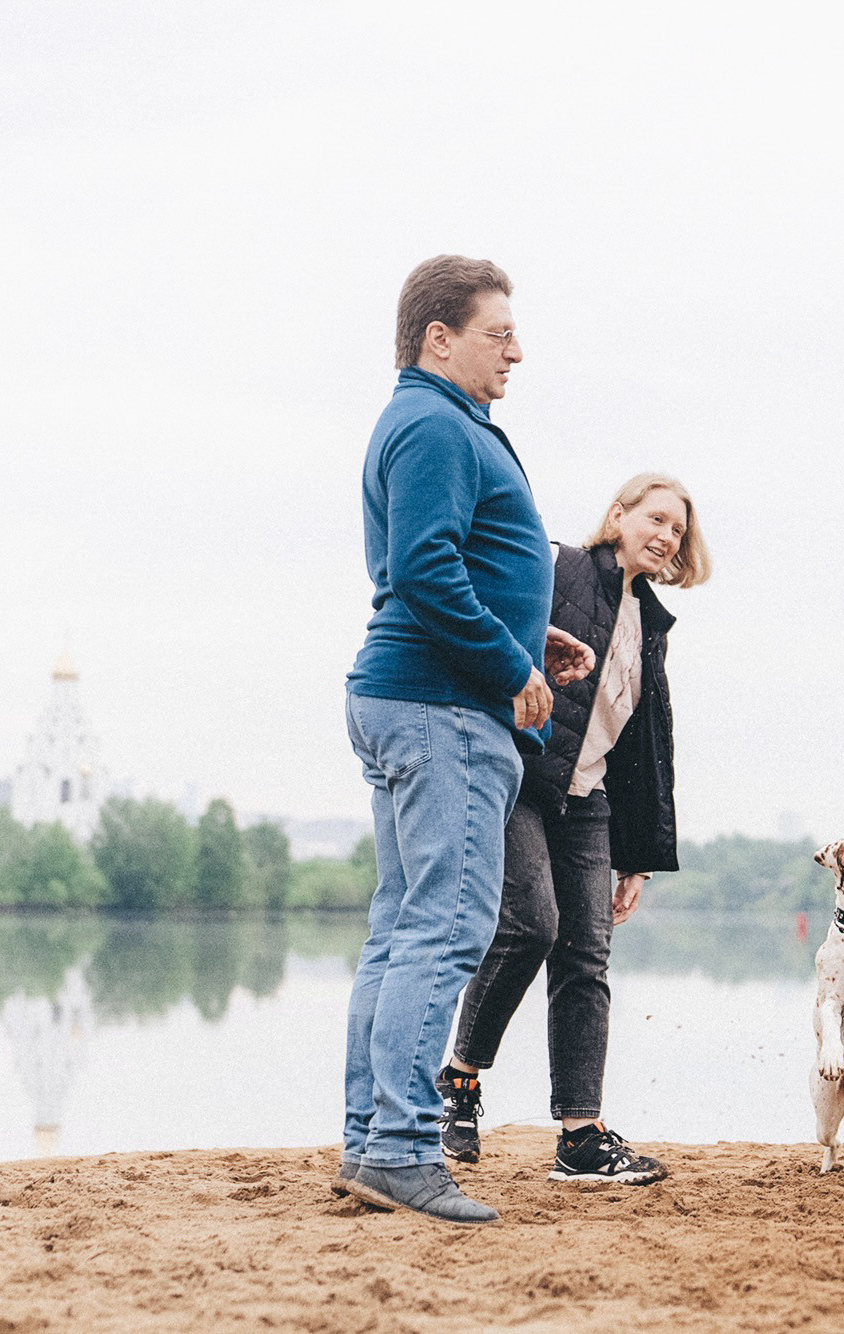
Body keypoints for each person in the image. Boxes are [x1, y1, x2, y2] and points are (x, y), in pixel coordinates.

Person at [339, 255, 594, 1226]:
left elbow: (454, 566)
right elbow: (425, 569)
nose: (517, 351)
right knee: (445, 928)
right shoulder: (433, 424)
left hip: (424, 695)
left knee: (404, 927)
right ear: (437, 337)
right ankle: (401, 1147)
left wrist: (532, 637)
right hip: (443, 707)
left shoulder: (430, 422)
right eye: (499, 333)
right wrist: (508, 669)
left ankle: (372, 1142)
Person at [438, 473, 710, 1184]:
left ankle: (580, 1136)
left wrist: (639, 856)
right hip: (522, 778)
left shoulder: (649, 622)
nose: (665, 536)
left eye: (677, 530)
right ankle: (460, 1079)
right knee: (532, 925)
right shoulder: (559, 568)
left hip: (589, 801)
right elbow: (487, 622)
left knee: (587, 958)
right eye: (655, 519)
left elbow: (646, 742)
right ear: (616, 517)